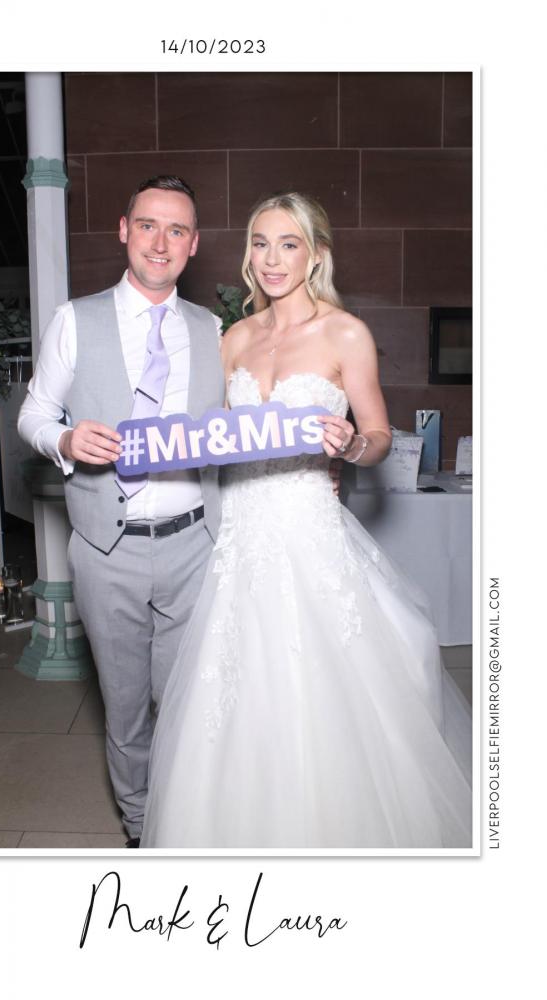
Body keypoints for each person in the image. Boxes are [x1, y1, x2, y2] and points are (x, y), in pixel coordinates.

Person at [141, 191, 472, 849]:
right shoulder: (234, 339)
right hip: (240, 536)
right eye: (260, 243)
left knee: (327, 693)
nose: (271, 259)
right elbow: (214, 436)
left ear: (315, 254)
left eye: (287, 244)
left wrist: (350, 445)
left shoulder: (344, 333)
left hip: (307, 530)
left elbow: (378, 435)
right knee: (233, 695)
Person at [18, 176, 225, 846]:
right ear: (123, 230)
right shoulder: (74, 319)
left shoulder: (213, 329)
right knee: (127, 704)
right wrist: (65, 441)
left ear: (193, 244)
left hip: (195, 545)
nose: (160, 242)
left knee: (187, 700)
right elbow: (33, 415)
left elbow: (237, 430)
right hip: (107, 546)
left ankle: (186, 816)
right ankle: (141, 826)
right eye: (147, 225)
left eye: (176, 230)